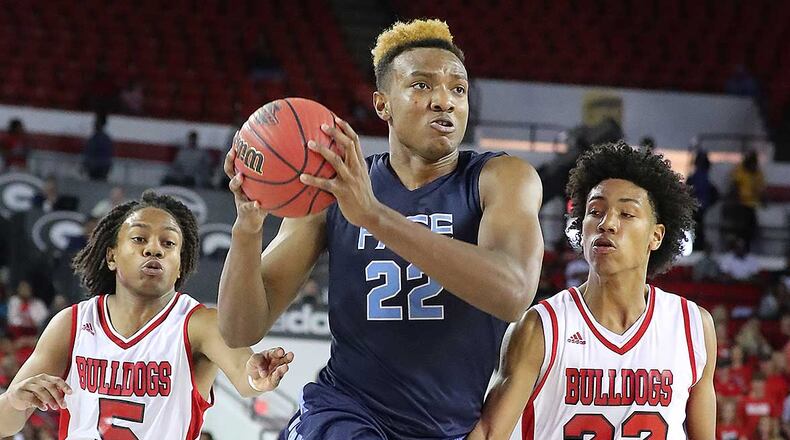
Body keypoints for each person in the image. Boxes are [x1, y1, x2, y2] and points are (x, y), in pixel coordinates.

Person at [217, 19, 544, 440]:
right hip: (344, 413)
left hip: (445, 428)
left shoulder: (502, 178)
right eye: (422, 85)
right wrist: (246, 230)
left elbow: (513, 293)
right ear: (382, 103)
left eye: (457, 89)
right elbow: (240, 328)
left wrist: (374, 216)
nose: (444, 101)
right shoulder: (334, 188)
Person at [469, 142, 716, 439]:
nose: (607, 223)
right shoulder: (542, 327)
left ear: (656, 235)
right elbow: (488, 434)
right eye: (595, 211)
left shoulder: (692, 327)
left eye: (626, 214)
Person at [0, 191, 294, 438]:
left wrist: (258, 376)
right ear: (112, 256)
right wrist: (15, 400)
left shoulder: (198, 324)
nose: (154, 249)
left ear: (180, 265)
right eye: (140, 239)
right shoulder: (73, 323)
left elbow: (245, 374)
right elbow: (6, 422)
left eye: (168, 244)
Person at [82, 112, 114, 181]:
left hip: (100, 171)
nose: (95, 124)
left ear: (102, 124)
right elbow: (88, 153)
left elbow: (107, 159)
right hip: (92, 171)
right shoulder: (93, 138)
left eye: (97, 122)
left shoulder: (105, 140)